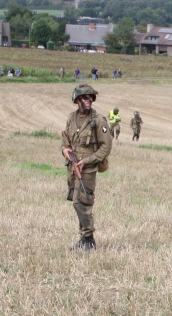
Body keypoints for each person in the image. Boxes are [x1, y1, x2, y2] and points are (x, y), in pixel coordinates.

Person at [61, 84, 112, 251]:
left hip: (87, 169)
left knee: (81, 203)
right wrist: (65, 150)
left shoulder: (98, 120)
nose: (88, 100)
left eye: (90, 97)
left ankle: (89, 239)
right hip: (72, 167)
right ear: (77, 100)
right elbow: (65, 141)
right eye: (84, 97)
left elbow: (105, 148)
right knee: (77, 201)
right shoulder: (71, 118)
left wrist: (88, 160)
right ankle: (84, 238)